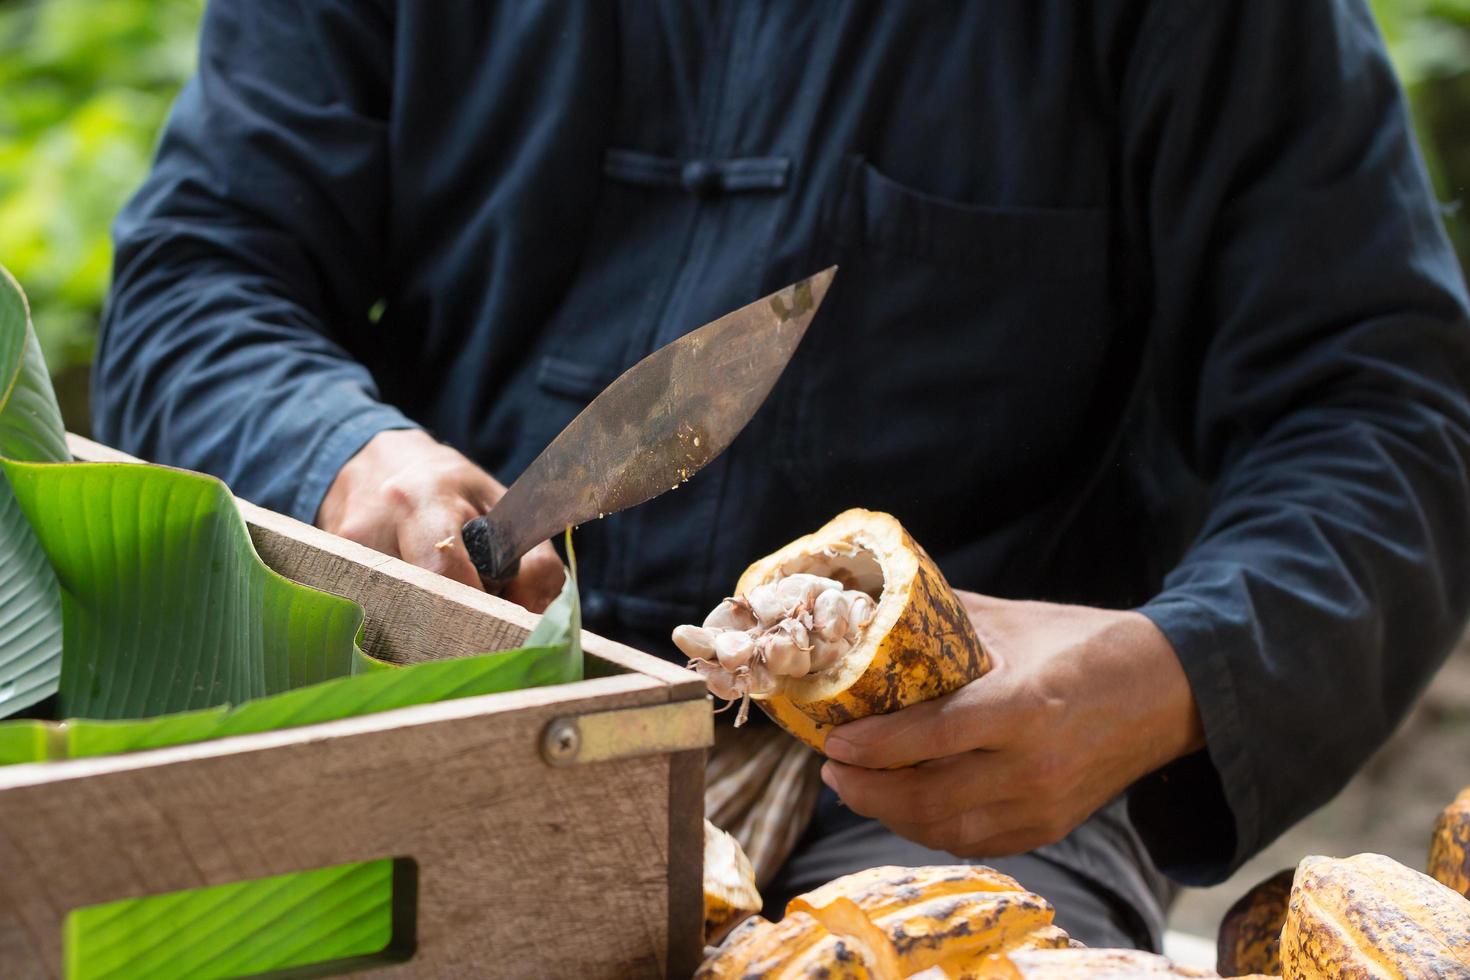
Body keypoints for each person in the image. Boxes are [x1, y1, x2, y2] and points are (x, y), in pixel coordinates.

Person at [95, 0, 1470, 951]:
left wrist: (1177, 667)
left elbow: (1383, 409)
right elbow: (201, 274)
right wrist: (340, 452)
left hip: (946, 790)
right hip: (455, 716)